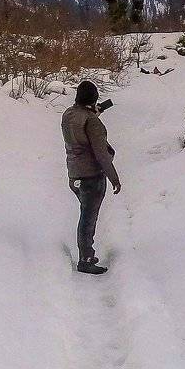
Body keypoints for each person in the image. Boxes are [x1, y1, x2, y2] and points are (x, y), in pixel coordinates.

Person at [61, 79, 120, 274]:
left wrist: (93, 111)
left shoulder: (68, 114)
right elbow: (101, 153)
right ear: (94, 99)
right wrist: (114, 178)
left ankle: (86, 254)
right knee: (88, 218)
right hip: (91, 175)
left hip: (74, 175)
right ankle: (85, 259)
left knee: (85, 214)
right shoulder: (92, 121)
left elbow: (81, 123)